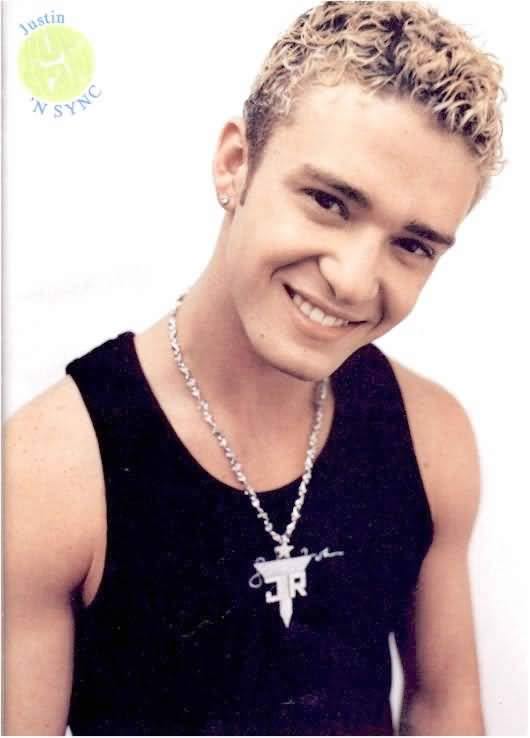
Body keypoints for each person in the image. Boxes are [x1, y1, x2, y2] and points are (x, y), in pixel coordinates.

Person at [5, 1, 504, 735]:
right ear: (235, 164)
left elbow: (443, 708)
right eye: (329, 202)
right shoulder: (49, 472)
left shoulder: (431, 433)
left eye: (412, 245)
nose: (354, 281)